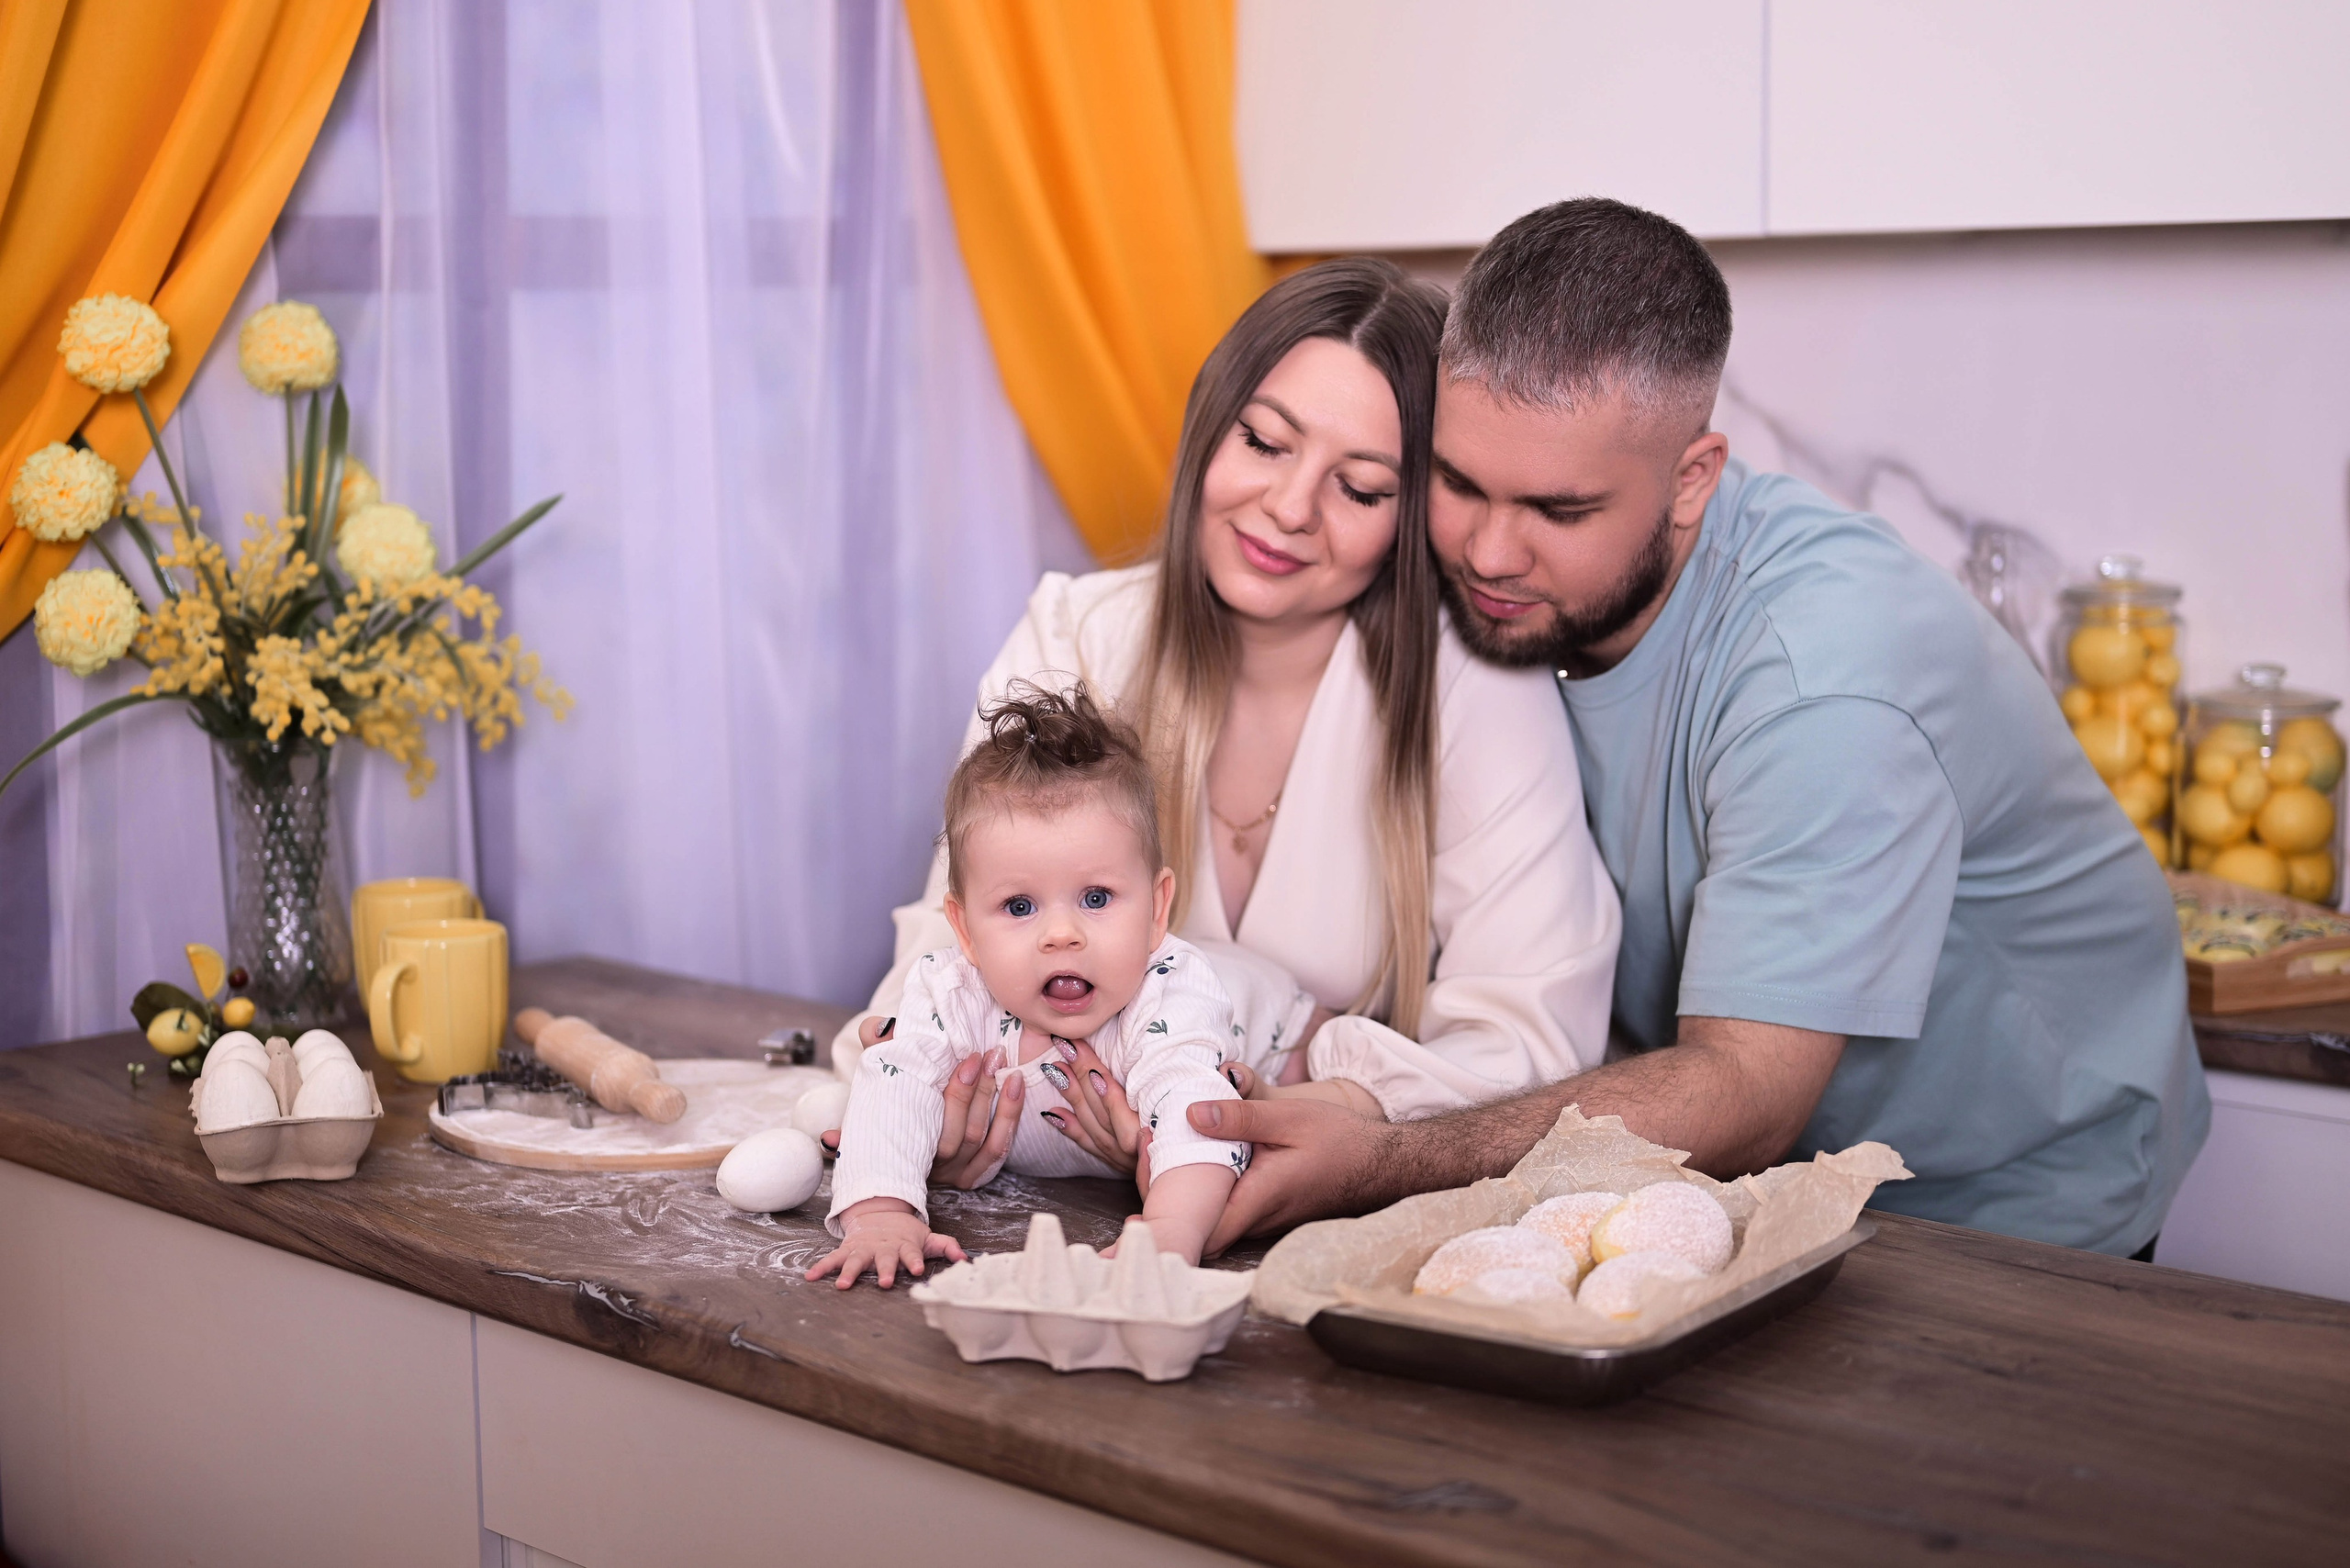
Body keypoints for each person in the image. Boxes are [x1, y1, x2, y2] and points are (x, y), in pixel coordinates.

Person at [1191, 198, 2209, 1260]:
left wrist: (1383, 1149)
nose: (1488, 552)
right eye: (1457, 481)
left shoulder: (1824, 686)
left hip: (2012, 1196)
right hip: (1750, 1185)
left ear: (1691, 481)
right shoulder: (1504, 591)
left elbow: (1742, 1088)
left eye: (1558, 509)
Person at [830, 258, 1622, 1187]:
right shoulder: (1075, 635)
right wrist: (954, 1111)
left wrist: (1330, 1111)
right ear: (1211, 427)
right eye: (1263, 442)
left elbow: (1535, 1040)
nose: (1289, 509)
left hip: (1333, 1216)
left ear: (1412, 519)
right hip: (1059, 1206)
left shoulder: (1474, 685)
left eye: (1359, 489)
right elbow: (951, 943)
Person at [812, 688, 1262, 1284]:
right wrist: (882, 1214)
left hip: (1262, 1004)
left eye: (1096, 898)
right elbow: (893, 1086)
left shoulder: (1169, 992)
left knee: (1315, 1041)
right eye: (1019, 905)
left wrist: (1171, 1232)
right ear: (965, 930)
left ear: (1157, 909)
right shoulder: (953, 992)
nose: (1061, 934)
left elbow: (1196, 1110)